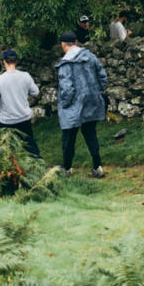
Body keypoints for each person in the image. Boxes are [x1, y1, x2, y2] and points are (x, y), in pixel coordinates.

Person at [54, 30, 107, 178]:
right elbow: (102, 76)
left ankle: (67, 169)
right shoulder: (90, 56)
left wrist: (64, 105)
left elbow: (67, 89)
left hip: (73, 105)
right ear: (76, 42)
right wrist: (97, 92)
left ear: (63, 44)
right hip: (91, 102)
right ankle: (97, 167)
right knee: (91, 135)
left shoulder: (66, 63)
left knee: (69, 137)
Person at [0, 49, 40, 156]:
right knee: (30, 148)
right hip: (24, 118)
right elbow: (36, 92)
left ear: (4, 62)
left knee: (9, 151)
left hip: (7, 122)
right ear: (16, 61)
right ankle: (38, 163)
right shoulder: (25, 76)